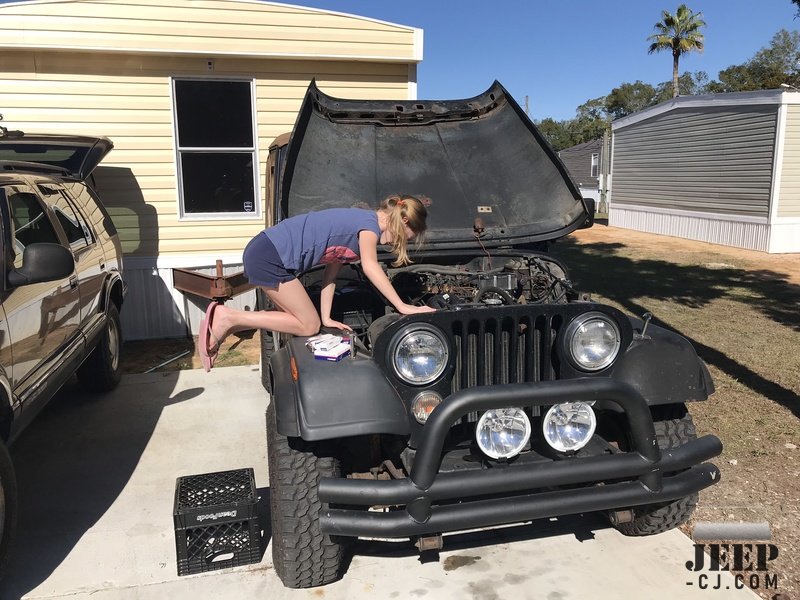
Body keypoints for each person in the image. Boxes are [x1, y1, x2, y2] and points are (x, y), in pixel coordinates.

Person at [198, 194, 435, 371]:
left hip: (267, 252)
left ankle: (230, 320)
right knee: (307, 325)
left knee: (304, 322)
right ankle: (229, 318)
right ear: (403, 220)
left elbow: (330, 276)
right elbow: (371, 267)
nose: (395, 242)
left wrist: (327, 318)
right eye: (402, 237)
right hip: (269, 255)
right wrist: (402, 306)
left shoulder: (360, 227)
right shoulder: (369, 225)